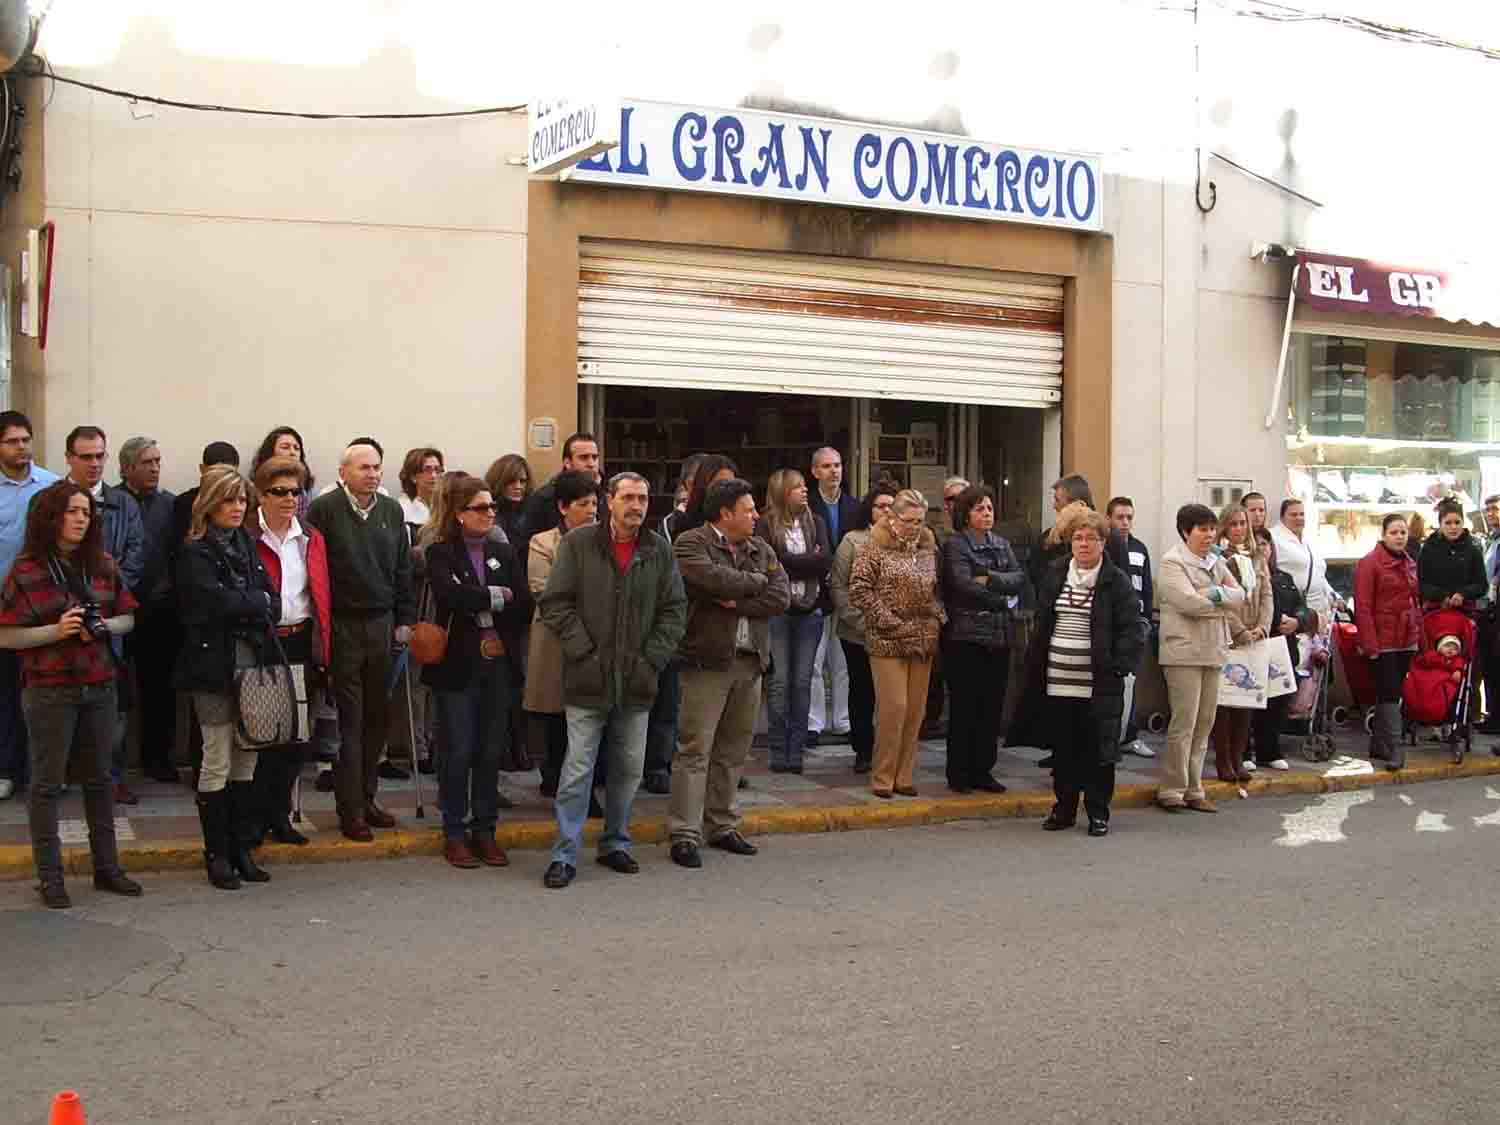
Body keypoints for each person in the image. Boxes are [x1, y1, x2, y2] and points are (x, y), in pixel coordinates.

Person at [537, 471, 686, 889]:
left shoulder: (659, 551)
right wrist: (583, 651)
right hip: (587, 681)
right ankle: (564, 854)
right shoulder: (579, 544)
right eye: (628, 498)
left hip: (636, 683)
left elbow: (675, 611)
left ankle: (615, 843)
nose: (637, 506)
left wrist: (650, 659)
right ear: (609, 501)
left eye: (642, 498)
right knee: (578, 769)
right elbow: (556, 603)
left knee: (627, 768)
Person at [0, 480, 141, 907]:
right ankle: (51, 876)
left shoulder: (101, 564)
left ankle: (107, 868)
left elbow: (127, 619)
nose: (83, 518)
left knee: (100, 779)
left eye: (87, 512)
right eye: (73, 511)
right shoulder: (26, 570)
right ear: (51, 517)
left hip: (99, 684)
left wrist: (104, 626)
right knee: (46, 784)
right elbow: (7, 636)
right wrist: (55, 631)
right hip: (48, 689)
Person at [668, 477, 790, 868]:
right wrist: (754, 584)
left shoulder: (761, 547)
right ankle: (684, 832)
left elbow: (781, 596)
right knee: (695, 750)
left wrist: (733, 601)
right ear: (725, 513)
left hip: (750, 659)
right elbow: (709, 579)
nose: (757, 515)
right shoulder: (690, 543)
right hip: (707, 661)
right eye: (749, 509)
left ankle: (722, 824)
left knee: (733, 751)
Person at [306, 441, 416, 842]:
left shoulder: (391, 510)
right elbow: (314, 569)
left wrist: (406, 619)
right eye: (364, 467)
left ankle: (368, 797)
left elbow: (403, 570)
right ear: (344, 471)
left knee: (377, 720)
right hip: (343, 625)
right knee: (350, 721)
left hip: (383, 624)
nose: (372, 473)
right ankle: (349, 808)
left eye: (376, 467)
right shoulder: (325, 509)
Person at [175, 467, 279, 889]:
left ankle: (241, 849)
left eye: (242, 501)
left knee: (247, 758)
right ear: (209, 504)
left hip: (252, 664)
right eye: (228, 500)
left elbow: (268, 595)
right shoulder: (195, 551)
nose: (237, 508)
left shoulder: (246, 545)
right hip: (212, 669)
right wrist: (253, 601)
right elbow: (213, 603)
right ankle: (216, 854)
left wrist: (252, 601)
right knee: (216, 759)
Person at [1014, 506, 1145, 836]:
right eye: (1078, 538)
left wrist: (1119, 666)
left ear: (1103, 543)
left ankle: (1098, 813)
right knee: (1064, 751)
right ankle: (1063, 810)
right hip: (1058, 680)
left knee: (1098, 753)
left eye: (1091, 538)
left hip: (1097, 683)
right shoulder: (1057, 572)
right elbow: (1043, 621)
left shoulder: (1116, 582)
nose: (1084, 544)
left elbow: (1132, 629)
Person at [421, 475, 530, 869]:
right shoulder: (440, 553)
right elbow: (449, 596)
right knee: (458, 749)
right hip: (457, 664)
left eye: (491, 507)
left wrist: (484, 602)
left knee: (489, 750)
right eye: (480, 508)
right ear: (459, 513)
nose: (489, 514)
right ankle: (454, 831)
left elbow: (524, 604)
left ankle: (485, 830)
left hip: (498, 662)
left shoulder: (505, 550)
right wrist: (494, 596)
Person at [245, 456, 331, 847]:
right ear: (261, 495)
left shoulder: (311, 537)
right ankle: (253, 822)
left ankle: (279, 816)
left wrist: (324, 650)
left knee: (296, 741)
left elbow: (320, 597)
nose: (289, 499)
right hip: (263, 643)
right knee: (264, 740)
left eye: (295, 492)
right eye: (279, 492)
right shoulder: (247, 536)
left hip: (301, 640)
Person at [643, 454, 738, 794]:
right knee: (670, 702)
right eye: (718, 484)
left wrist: (735, 590)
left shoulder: (738, 528)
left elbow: (760, 580)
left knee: (718, 711)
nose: (726, 491)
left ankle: (717, 769)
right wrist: (721, 589)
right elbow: (688, 575)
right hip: (680, 626)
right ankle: (658, 765)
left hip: (722, 634)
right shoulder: (678, 525)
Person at [65, 425, 145, 805]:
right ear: (70, 459)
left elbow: (134, 555)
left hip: (110, 619)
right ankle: (58, 776)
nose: (94, 463)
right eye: (86, 456)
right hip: (62, 618)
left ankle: (111, 777)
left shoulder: (123, 504)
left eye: (100, 456)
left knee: (113, 703)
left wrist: (103, 598)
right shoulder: (51, 501)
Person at [848, 489, 944, 799]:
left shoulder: (929, 547)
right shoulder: (872, 546)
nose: (915, 527)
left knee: (916, 711)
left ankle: (904, 776)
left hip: (922, 638)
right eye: (909, 520)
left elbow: (937, 588)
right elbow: (859, 590)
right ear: (892, 517)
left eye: (920, 521)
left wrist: (937, 615)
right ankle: (882, 776)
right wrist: (888, 620)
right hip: (887, 638)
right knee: (894, 708)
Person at [1156, 502, 1243, 812]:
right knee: (1184, 721)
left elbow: (1240, 595)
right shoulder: (1172, 562)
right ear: (1185, 531)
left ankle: (1195, 788)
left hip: (1213, 649)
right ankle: (1172, 788)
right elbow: (1188, 603)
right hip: (1183, 652)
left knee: (1204, 722)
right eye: (1202, 529)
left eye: (1211, 529)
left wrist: (1213, 593)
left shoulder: (1215, 562)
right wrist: (1219, 598)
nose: (1209, 535)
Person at [940, 483, 1026, 793]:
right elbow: (964, 587)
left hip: (999, 636)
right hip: (966, 637)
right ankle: (960, 773)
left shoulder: (1002, 544)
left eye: (989, 508)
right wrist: (1002, 599)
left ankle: (983, 770)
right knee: (965, 707)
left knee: (992, 708)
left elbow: (1019, 579)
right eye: (980, 508)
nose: (987, 513)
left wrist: (989, 578)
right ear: (965, 513)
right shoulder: (956, 545)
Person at [525, 470, 599, 798]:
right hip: (556, 637)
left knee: (589, 715)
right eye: (584, 504)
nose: (592, 510)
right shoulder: (543, 542)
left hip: (598, 640)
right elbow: (544, 589)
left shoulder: (607, 541)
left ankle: (585, 785)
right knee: (556, 713)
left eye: (595, 503)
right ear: (563, 507)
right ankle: (554, 776)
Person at [756, 468, 832, 774]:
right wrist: (805, 563)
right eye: (797, 487)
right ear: (782, 493)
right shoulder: (765, 525)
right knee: (779, 682)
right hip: (778, 612)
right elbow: (770, 564)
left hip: (809, 611)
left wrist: (793, 563)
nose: (804, 491)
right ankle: (777, 748)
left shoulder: (817, 523)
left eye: (804, 487)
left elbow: (824, 559)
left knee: (801, 683)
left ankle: (796, 749)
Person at [0, 410, 59, 802]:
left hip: (43, 608)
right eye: (12, 441)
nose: (21, 448)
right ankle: (6, 768)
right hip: (3, 609)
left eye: (26, 440)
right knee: (5, 690)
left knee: (43, 691)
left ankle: (43, 770)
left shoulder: (52, 487)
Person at [118, 436, 180, 784]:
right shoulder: (113, 503)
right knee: (118, 692)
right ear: (127, 467)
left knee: (160, 689)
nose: (155, 468)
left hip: (159, 612)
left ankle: (159, 758)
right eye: (147, 462)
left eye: (157, 461)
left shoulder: (169, 505)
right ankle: (113, 768)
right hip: (121, 610)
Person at [831, 483, 897, 773]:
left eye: (891, 505)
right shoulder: (853, 540)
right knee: (862, 692)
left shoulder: (905, 539)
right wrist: (859, 619)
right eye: (880, 505)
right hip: (857, 632)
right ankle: (863, 750)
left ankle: (890, 751)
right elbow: (838, 585)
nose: (886, 510)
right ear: (869, 510)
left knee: (891, 696)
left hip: (894, 631)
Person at [1209, 503, 1273, 783]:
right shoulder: (1218, 558)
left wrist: (1262, 627)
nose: (1238, 529)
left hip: (1254, 636)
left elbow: (1267, 595)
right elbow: (1222, 600)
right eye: (1233, 524)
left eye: (1242, 524)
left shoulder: (1257, 558)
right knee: (1225, 704)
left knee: (1246, 700)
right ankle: (1223, 761)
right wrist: (1240, 631)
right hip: (1229, 637)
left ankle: (1239, 758)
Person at [1355, 514, 1421, 770]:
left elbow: (1415, 601)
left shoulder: (1410, 563)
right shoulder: (1369, 564)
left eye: (1403, 532)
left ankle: (1379, 743)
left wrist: (1418, 631)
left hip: (1406, 637)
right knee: (1390, 691)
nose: (1399, 536)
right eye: (1394, 532)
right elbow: (1363, 606)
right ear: (1383, 534)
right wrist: (1370, 643)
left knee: (1388, 693)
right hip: (1383, 639)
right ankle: (1395, 746)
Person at [1250, 528, 1318, 772]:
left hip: (1282, 647)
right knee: (1250, 701)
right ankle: (1245, 751)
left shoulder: (1284, 578)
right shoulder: (1244, 574)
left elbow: (1304, 609)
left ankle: (1269, 750)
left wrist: (1297, 622)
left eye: (1266, 544)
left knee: (1277, 701)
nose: (1262, 549)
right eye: (1257, 544)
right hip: (1254, 645)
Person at [807, 447, 857, 744]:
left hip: (848, 591)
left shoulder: (853, 506)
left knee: (842, 661)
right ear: (815, 472)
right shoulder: (807, 506)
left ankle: (842, 720)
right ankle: (814, 722)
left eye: (837, 465)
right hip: (816, 592)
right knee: (814, 660)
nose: (834, 471)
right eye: (826, 466)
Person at [1106, 496, 1155, 759]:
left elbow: (1147, 588)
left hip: (1136, 625)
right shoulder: (1105, 547)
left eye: (1129, 518)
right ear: (1109, 519)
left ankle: (1131, 735)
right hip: (1112, 625)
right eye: (1119, 517)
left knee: (1132, 683)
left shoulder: (1140, 548)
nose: (1125, 523)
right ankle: (1111, 738)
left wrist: (1145, 620)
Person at [923, 476, 970, 739]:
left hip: (967, 613)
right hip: (939, 610)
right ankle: (931, 721)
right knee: (935, 671)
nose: (956, 504)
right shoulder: (934, 533)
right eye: (950, 499)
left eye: (961, 498)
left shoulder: (980, 535)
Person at [519, 432, 605, 548]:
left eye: (594, 457)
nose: (591, 464)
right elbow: (528, 545)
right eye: (583, 458)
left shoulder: (607, 493)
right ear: (567, 463)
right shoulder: (545, 498)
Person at [1418, 497, 1486, 610]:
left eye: (1457, 522)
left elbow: (1482, 585)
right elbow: (1420, 583)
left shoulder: (1473, 550)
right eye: (1448, 523)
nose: (1453, 527)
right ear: (1440, 524)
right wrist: (1441, 596)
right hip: (1434, 612)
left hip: (1465, 613)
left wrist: (1463, 594)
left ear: (1463, 523)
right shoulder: (1428, 549)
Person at [251, 427, 315, 521]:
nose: (292, 452)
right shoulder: (253, 488)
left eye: (296, 448)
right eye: (285, 447)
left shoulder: (310, 493)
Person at [484, 453, 533, 547]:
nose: (518, 487)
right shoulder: (489, 514)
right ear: (499, 481)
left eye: (522, 481)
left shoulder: (533, 510)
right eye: (511, 481)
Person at [659, 454, 706, 542]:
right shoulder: (671, 521)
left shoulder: (724, 515)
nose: (701, 486)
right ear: (686, 484)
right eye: (695, 482)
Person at [397, 447, 445, 528]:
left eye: (437, 470)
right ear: (413, 477)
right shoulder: (401, 510)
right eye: (427, 470)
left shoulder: (447, 506)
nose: (434, 475)